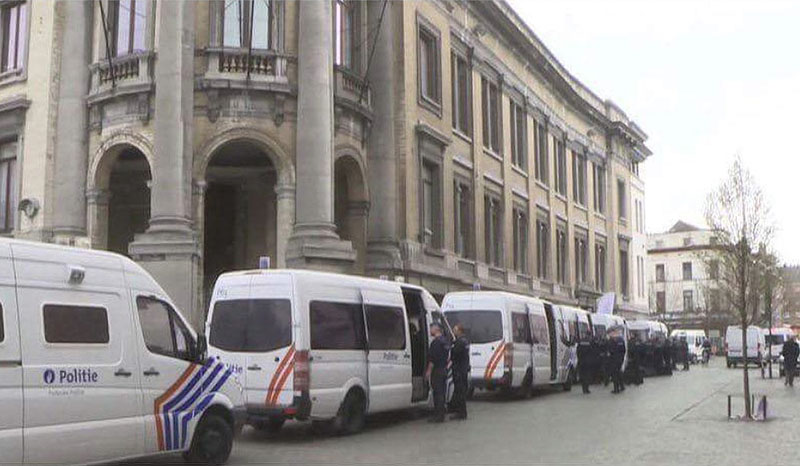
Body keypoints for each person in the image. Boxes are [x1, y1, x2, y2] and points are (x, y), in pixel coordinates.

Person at [425, 323, 450, 422]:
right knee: (442, 393)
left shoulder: (435, 343)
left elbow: (432, 359)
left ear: (436, 329)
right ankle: (441, 414)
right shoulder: (445, 341)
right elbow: (448, 357)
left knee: (437, 393)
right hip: (444, 369)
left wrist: (428, 372)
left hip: (437, 371)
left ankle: (438, 416)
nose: (430, 330)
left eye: (431, 328)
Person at [449, 324, 470, 419]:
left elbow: (454, 355)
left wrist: (452, 347)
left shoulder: (459, 342)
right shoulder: (465, 341)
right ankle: (460, 411)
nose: (453, 331)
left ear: (459, 331)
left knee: (459, 392)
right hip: (463, 370)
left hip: (459, 371)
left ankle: (461, 413)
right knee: (460, 392)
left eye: (455, 330)